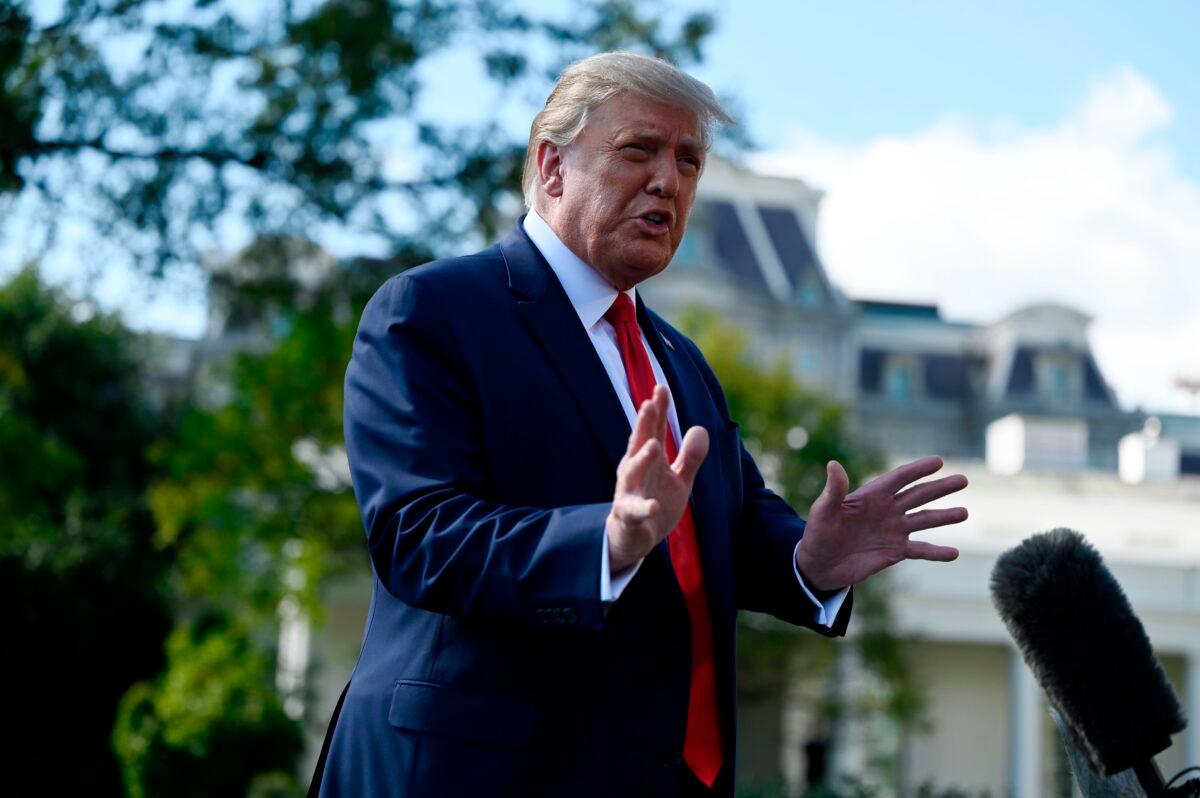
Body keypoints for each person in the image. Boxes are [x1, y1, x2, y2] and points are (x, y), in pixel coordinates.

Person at [312, 51, 968, 798]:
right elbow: (418, 534)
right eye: (639, 151)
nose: (669, 180)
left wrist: (808, 561)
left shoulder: (680, 361)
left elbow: (726, 524)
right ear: (552, 166)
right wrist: (608, 538)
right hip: (471, 772)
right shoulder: (432, 312)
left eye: (688, 161)